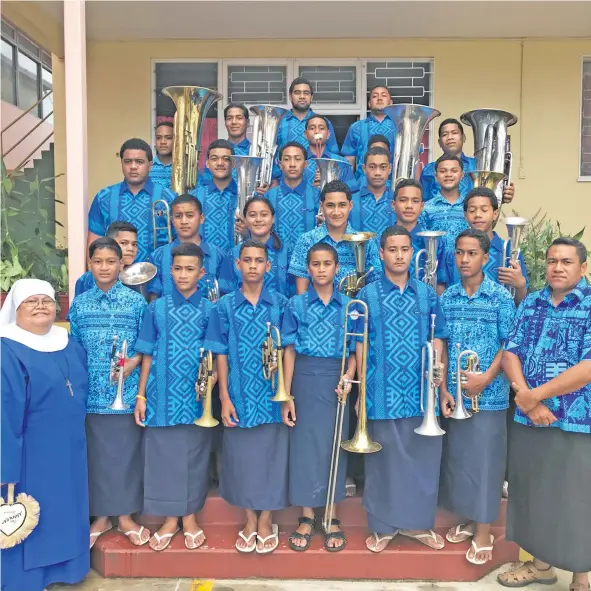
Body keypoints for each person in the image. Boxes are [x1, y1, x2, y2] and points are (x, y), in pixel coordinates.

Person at [497, 237, 591, 591]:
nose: (557, 267)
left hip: (577, 420)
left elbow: (588, 366)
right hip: (529, 417)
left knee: (577, 496)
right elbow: (511, 352)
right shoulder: (533, 301)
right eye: (552, 260)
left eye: (567, 261)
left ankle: (582, 575)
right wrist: (527, 399)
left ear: (582, 267)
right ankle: (540, 565)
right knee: (533, 491)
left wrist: (536, 396)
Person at [358, 225, 448, 553]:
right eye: (392, 249)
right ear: (381, 253)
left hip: (421, 392)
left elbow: (438, 336)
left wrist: (438, 372)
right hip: (381, 391)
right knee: (384, 464)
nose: (398, 255)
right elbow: (360, 345)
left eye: (404, 249)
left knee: (423, 461)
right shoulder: (366, 295)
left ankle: (418, 524)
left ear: (412, 252)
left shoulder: (427, 294)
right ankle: (384, 526)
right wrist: (361, 392)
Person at [0, 279, 90, 591]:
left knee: (65, 510)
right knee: (33, 512)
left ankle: (66, 569)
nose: (41, 306)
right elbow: (3, 411)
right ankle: (28, 579)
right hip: (29, 453)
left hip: (69, 447)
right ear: (16, 309)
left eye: (47, 300)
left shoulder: (68, 343)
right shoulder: (6, 349)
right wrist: (5, 467)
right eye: (31, 301)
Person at [204, 239, 289, 554]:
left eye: (259, 260)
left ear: (268, 266)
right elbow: (220, 353)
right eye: (247, 260)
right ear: (237, 265)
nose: (253, 265)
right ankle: (249, 520)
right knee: (241, 460)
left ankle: (266, 519)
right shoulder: (224, 305)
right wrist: (224, 397)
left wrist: (287, 393)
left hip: (271, 393)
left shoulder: (280, 303)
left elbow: (287, 349)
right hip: (239, 392)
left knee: (271, 457)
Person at [438, 229, 516, 566]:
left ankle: (483, 531)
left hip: (490, 394)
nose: (464, 259)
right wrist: (442, 388)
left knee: (485, 465)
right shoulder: (448, 297)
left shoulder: (500, 297)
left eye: (472, 254)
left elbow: (510, 344)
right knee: (461, 462)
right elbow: (440, 343)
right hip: (455, 396)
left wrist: (485, 378)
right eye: (459, 253)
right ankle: (471, 517)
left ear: (486, 258)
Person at [134, 243, 215, 552]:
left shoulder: (211, 309)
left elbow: (215, 355)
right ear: (170, 271)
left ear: (201, 273)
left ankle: (190, 518)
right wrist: (141, 394)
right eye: (178, 268)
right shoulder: (155, 309)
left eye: (190, 269)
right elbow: (147, 355)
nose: (183, 274)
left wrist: (210, 383)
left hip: (196, 396)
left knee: (193, 458)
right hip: (160, 393)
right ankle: (170, 519)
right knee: (164, 458)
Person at [68, 237, 148, 549]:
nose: (104, 267)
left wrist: (133, 363)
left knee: (125, 457)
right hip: (89, 397)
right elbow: (73, 347)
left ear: (121, 265)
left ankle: (126, 516)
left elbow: (146, 345)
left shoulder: (136, 302)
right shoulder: (80, 303)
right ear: (90, 265)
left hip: (125, 393)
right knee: (97, 459)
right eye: (98, 261)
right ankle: (101, 516)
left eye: (110, 262)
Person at [281, 243, 356, 553]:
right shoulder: (296, 304)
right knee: (304, 449)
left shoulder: (351, 305)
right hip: (304, 380)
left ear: (337, 268)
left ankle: (332, 515)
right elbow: (288, 350)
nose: (322, 269)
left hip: (337, 382)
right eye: (315, 264)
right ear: (308, 269)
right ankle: (307, 515)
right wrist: (286, 394)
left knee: (334, 447)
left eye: (327, 263)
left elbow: (355, 348)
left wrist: (349, 375)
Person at [88, 138, 176, 262]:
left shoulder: (169, 198)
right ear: (121, 163)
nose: (133, 167)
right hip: (114, 277)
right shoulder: (103, 197)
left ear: (150, 165)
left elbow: (181, 242)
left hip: (158, 277)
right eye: (128, 162)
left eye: (139, 162)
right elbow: (94, 244)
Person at [289, 180, 382, 294]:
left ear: (350, 206)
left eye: (342, 205)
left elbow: (375, 286)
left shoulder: (367, 242)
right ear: (321, 207)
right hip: (317, 309)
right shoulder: (306, 240)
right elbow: (302, 292)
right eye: (330, 205)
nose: (336, 212)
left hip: (355, 309)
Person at [441, 187, 528, 303]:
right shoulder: (453, 253)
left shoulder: (509, 251)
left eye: (484, 210)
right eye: (472, 210)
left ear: (495, 214)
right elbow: (442, 292)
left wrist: (520, 286)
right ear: (465, 216)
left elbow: (522, 304)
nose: (477, 215)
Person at [146, 194, 223, 301]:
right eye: (178, 216)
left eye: (190, 215)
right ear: (172, 221)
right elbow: (153, 296)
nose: (184, 221)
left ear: (201, 218)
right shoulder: (158, 255)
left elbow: (225, 294)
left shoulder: (218, 255)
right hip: (167, 316)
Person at [219, 196, 294, 297]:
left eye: (264, 215)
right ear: (245, 219)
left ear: (272, 219)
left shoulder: (287, 252)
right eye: (252, 215)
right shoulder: (234, 254)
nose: (258, 219)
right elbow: (226, 293)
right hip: (242, 312)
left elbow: (296, 291)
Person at [392, 179, 447, 289]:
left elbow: (441, 283)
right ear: (394, 205)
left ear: (422, 206)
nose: (409, 206)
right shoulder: (380, 241)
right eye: (403, 200)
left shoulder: (437, 241)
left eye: (415, 201)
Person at [266, 142, 320, 251]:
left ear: (305, 164)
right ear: (280, 165)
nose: (292, 164)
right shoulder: (268, 196)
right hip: (275, 261)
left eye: (297, 159)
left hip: (308, 262)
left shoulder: (317, 195)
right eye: (287, 159)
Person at [190, 139, 238, 253]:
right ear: (207, 163)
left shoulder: (247, 196)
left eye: (226, 159)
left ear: (234, 163)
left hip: (238, 265)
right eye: (214, 158)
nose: (220, 163)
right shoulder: (195, 196)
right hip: (202, 264)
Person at [342, 85, 394, 180]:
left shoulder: (401, 126)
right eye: (375, 96)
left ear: (390, 102)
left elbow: (414, 158)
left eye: (383, 95)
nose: (379, 98)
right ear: (369, 103)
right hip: (362, 185)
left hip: (395, 187)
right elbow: (349, 159)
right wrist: (349, 185)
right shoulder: (356, 127)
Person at [75, 221, 140, 296]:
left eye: (134, 244)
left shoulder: (138, 276)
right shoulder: (87, 280)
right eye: (123, 243)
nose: (130, 248)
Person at [276, 77, 338, 153]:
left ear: (311, 97)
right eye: (297, 93)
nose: (302, 97)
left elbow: (333, 154)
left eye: (306, 93)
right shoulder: (279, 121)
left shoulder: (323, 122)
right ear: (290, 96)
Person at [421, 154, 470, 251]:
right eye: (443, 171)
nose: (448, 174)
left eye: (454, 171)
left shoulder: (470, 206)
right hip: (436, 264)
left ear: (462, 175)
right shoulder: (426, 208)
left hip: (467, 262)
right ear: (436, 176)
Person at [420, 119, 476, 200]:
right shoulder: (428, 170)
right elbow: (422, 201)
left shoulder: (476, 165)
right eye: (445, 134)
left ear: (463, 138)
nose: (450, 137)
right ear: (439, 142)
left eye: (454, 133)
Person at [302, 115, 358, 193]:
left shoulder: (342, 162)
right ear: (305, 134)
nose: (317, 131)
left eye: (321, 128)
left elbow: (352, 192)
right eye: (312, 128)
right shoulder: (298, 161)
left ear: (328, 134)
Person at [200, 103, 251, 187]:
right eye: (229, 118)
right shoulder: (214, 151)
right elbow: (207, 182)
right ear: (225, 122)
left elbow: (272, 183)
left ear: (247, 122)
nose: (234, 122)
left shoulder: (257, 151)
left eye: (239, 118)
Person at [350, 147, 394, 235]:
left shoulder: (397, 199)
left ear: (390, 169)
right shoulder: (351, 201)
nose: (377, 172)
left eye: (383, 167)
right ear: (364, 169)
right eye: (372, 167)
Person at [149, 121, 174, 189]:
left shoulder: (185, 169)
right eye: (158, 138)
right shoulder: (147, 168)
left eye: (168, 137)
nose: (163, 142)